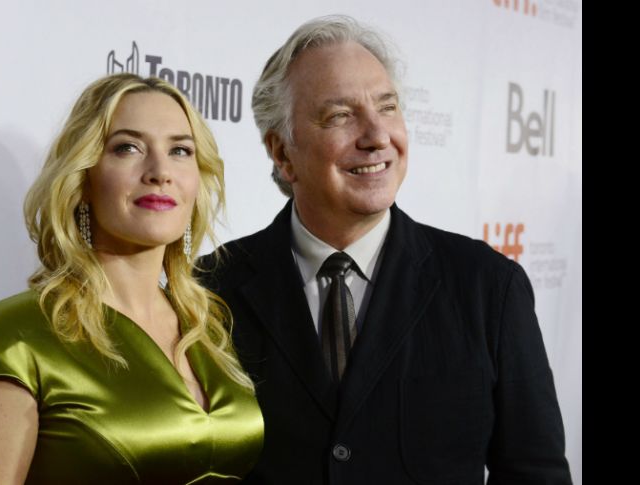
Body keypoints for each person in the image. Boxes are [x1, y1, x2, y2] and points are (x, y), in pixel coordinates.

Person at [198, 15, 572, 484]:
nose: (377, 136)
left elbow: (535, 473)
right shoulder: (209, 291)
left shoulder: (487, 287)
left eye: (387, 107)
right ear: (282, 153)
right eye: (340, 115)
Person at [0, 73, 263, 484]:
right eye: (127, 148)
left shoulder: (209, 328)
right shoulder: (16, 338)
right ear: (84, 177)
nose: (160, 171)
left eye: (180, 150)